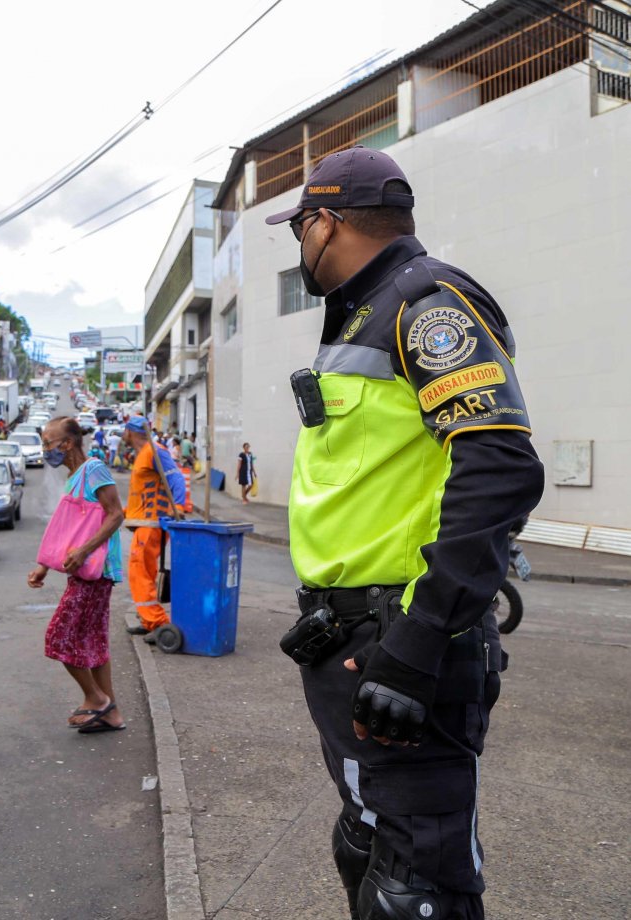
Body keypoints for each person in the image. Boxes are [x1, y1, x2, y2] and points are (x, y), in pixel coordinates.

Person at [266, 146, 543, 919]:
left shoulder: (428, 303)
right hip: (353, 638)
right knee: (369, 839)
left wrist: (418, 647)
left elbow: (500, 470)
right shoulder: (368, 310)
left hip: (401, 639)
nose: (301, 248)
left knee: (416, 887)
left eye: (300, 231)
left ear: (325, 224)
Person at [28, 417, 125, 732]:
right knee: (94, 641)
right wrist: (45, 564)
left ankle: (96, 699)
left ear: (67, 444)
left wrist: (83, 551)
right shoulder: (74, 477)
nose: (46, 450)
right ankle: (112, 713)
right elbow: (68, 530)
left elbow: (116, 515)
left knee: (59, 636)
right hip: (85, 571)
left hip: (97, 571)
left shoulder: (93, 469)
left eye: (48, 443)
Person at [119, 417, 186, 639]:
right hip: (145, 523)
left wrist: (178, 506)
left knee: (139, 571)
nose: (123, 434)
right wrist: (128, 513)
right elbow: (146, 491)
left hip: (153, 523)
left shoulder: (155, 451)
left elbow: (175, 477)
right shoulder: (145, 453)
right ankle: (149, 620)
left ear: (131, 431)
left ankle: (156, 623)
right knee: (143, 571)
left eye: (125, 429)